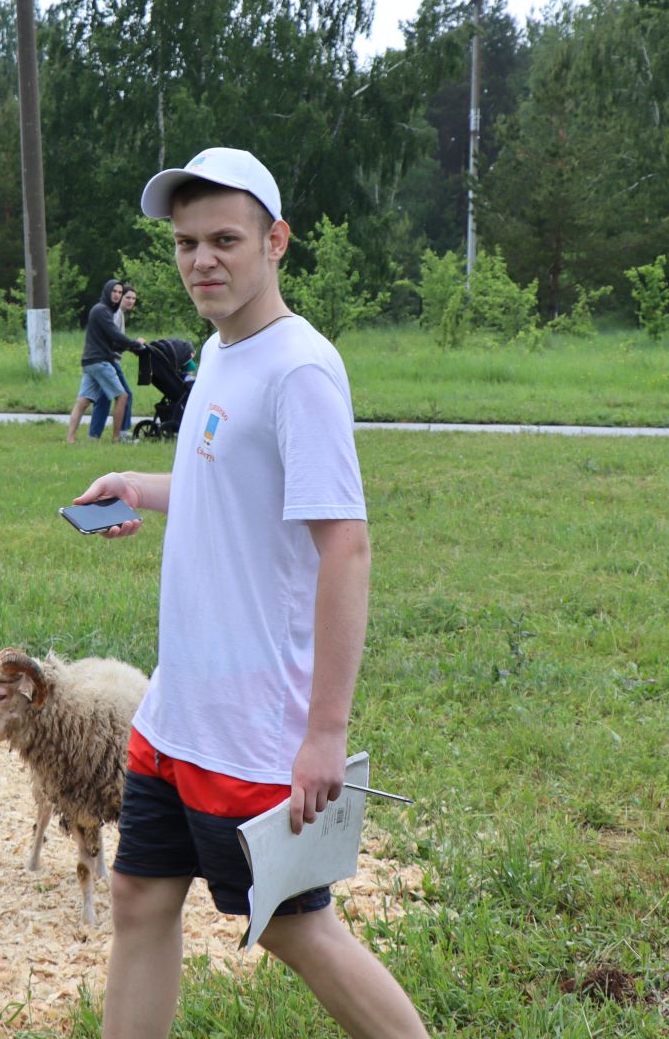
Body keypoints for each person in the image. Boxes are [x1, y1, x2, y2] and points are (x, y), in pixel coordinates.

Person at [72, 147, 427, 1039]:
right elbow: (227, 480)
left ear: (276, 241)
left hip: (252, 728)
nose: (202, 260)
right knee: (140, 899)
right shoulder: (221, 353)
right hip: (176, 710)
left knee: (296, 927)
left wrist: (325, 736)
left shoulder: (299, 369)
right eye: (187, 243)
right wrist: (141, 488)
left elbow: (345, 547)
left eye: (225, 238)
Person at [66, 278, 145, 444]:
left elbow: (112, 341)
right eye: (114, 292)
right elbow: (114, 334)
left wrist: (131, 347)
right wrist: (134, 345)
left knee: (83, 401)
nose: (116, 295)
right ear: (107, 292)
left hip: (90, 361)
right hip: (100, 361)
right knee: (122, 396)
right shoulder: (102, 311)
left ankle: (71, 439)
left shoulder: (104, 310)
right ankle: (117, 438)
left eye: (119, 292)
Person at [89, 284, 139, 440]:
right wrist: (134, 344)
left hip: (107, 359)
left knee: (104, 397)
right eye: (127, 297)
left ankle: (94, 435)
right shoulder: (116, 314)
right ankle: (123, 433)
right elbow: (113, 341)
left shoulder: (118, 314)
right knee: (126, 394)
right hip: (109, 361)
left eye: (133, 298)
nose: (130, 301)